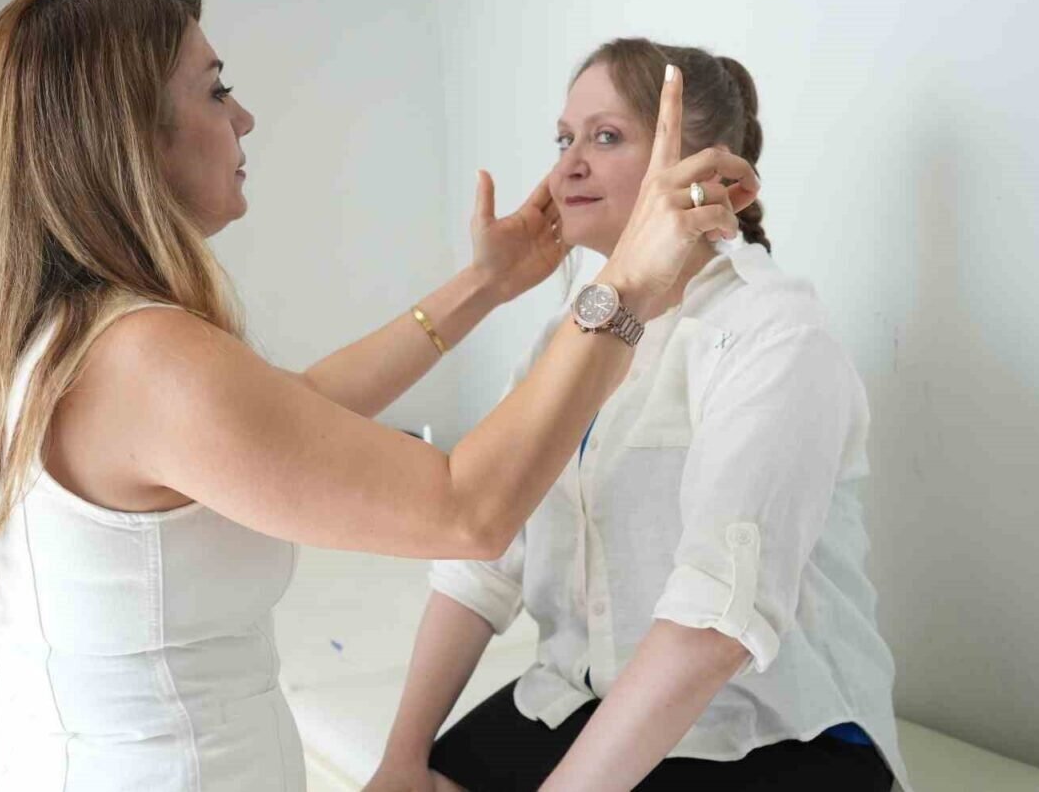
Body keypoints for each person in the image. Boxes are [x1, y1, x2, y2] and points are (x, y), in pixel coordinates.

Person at [0, 0, 757, 792]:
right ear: (128, 135)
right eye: (216, 89)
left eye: (606, 136)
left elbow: (292, 412)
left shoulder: (61, 341)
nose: (245, 117)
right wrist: (623, 288)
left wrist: (485, 286)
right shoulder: (143, 358)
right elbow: (469, 513)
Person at [367, 38, 910, 792]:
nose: (566, 167)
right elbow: (481, 565)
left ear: (706, 169)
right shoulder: (568, 337)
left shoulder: (773, 332)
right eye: (564, 139)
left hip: (767, 732)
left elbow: (713, 626)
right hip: (585, 698)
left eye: (605, 136)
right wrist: (399, 761)